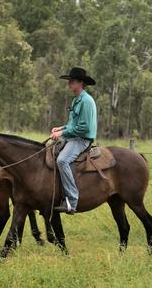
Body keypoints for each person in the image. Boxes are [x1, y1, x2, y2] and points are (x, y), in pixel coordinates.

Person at [49, 67, 97, 215]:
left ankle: (72, 200)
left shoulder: (87, 101)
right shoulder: (76, 99)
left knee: (62, 160)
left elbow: (84, 127)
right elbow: (73, 124)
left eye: (72, 81)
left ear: (81, 83)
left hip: (82, 139)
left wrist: (63, 133)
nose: (69, 84)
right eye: (69, 81)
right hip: (73, 136)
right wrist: (61, 128)